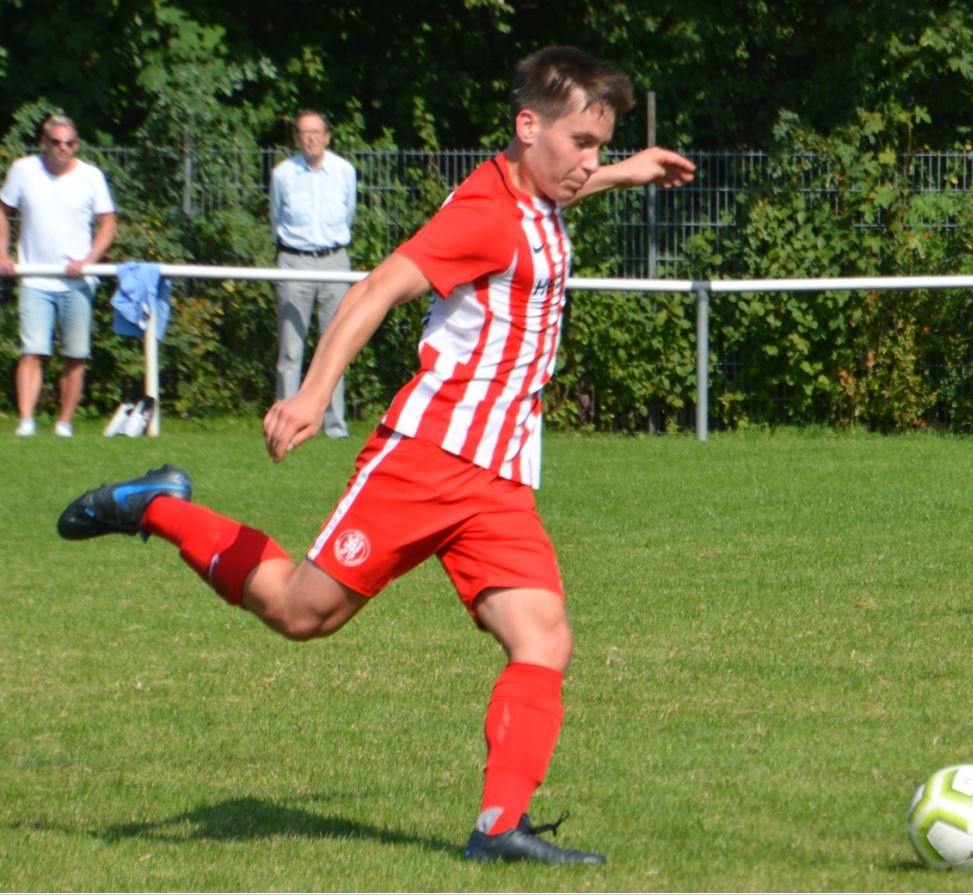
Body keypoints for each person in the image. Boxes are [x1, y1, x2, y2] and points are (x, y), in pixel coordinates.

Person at [57, 46, 695, 864]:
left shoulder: (541, 189)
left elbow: (564, 182)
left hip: (499, 476)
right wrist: (311, 395)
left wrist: (626, 172)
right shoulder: (486, 213)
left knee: (544, 638)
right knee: (300, 612)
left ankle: (499, 828)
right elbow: (374, 289)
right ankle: (156, 506)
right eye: (582, 143)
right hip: (427, 460)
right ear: (527, 126)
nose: (588, 161)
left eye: (600, 146)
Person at [0, 114, 118, 437]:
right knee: (31, 351)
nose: (62, 148)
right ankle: (26, 420)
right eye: (56, 142)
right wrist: (3, 254)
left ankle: (64, 423)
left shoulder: (91, 176)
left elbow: (108, 223)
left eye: (69, 142)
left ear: (76, 145)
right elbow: (3, 210)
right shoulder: (24, 170)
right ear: (44, 142)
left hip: (77, 282)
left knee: (75, 355)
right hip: (35, 279)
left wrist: (89, 259)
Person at [270, 110, 357, 439]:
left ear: (327, 137)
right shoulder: (282, 174)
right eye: (305, 132)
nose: (312, 138)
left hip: (335, 261)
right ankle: (285, 423)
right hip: (294, 262)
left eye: (317, 132)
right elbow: (276, 220)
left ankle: (335, 426)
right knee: (291, 348)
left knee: (335, 346)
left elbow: (348, 215)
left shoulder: (344, 171)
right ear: (297, 138)